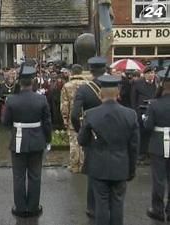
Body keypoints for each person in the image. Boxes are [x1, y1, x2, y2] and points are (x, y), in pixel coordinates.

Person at [78, 75, 139, 225]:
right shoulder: (130, 115)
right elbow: (134, 146)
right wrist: (131, 169)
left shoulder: (90, 114)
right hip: (121, 166)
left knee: (101, 205)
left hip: (98, 166)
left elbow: (82, 140)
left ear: (100, 94)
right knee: (118, 204)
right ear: (118, 93)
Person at [2, 64, 52, 218]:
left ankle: (20, 207)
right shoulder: (41, 99)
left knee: (18, 177)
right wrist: (48, 140)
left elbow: (5, 122)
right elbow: (47, 123)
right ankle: (33, 207)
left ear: (19, 82)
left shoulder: (11, 99)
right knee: (35, 176)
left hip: (18, 141)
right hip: (37, 141)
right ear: (33, 81)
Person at [71, 57, 106, 218]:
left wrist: (81, 133)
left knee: (93, 172)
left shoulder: (84, 89)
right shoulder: (113, 85)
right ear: (104, 69)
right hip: (114, 135)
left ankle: (92, 208)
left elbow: (74, 115)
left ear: (90, 70)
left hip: (92, 135)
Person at [144, 69, 170, 222]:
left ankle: (158, 209)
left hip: (158, 143)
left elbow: (148, 126)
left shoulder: (154, 104)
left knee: (158, 179)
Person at [60, 64, 86, 173]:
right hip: (86, 117)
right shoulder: (88, 85)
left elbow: (64, 105)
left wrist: (65, 119)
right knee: (84, 142)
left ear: (72, 72)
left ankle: (74, 165)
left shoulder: (67, 86)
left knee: (74, 142)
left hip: (72, 117)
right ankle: (84, 164)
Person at [131, 66, 157, 163]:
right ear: (145, 74)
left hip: (154, 112)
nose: (151, 75)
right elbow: (133, 98)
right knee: (142, 134)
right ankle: (141, 154)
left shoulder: (158, 84)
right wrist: (135, 111)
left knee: (152, 134)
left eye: (153, 73)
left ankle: (151, 153)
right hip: (141, 112)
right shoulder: (138, 83)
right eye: (149, 73)